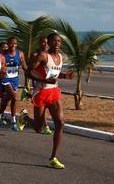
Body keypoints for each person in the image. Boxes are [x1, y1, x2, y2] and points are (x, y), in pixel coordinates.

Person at [25, 33, 74, 169]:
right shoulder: (42, 55)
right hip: (41, 92)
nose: (57, 43)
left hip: (54, 92)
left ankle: (53, 157)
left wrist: (64, 75)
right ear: (49, 43)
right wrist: (45, 80)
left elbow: (54, 74)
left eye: (59, 41)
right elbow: (28, 72)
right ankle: (25, 118)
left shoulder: (60, 57)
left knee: (60, 123)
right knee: (38, 128)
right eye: (54, 41)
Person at [0, 37, 27, 131]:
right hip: (5, 79)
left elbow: (25, 67)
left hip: (15, 79)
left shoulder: (20, 54)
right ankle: (13, 120)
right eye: (11, 43)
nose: (13, 45)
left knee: (9, 100)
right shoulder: (2, 55)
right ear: (8, 44)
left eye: (15, 44)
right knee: (14, 96)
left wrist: (28, 80)